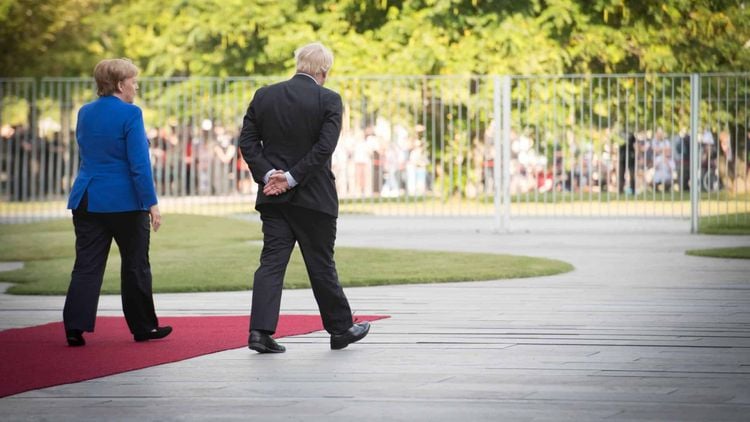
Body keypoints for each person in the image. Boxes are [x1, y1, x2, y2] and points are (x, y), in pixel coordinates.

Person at [239, 42, 369, 353]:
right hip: (314, 197)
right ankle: (340, 329)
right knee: (321, 264)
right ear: (324, 71)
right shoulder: (329, 100)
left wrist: (272, 175)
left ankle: (260, 331)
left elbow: (247, 141)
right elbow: (324, 148)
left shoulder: (264, 95)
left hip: (274, 199)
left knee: (271, 262)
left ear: (298, 64)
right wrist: (292, 178)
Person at [63, 58, 172, 347]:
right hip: (125, 200)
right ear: (121, 84)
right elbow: (139, 164)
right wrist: (152, 204)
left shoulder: (84, 112)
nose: (136, 86)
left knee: (86, 264)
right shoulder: (131, 114)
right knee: (135, 265)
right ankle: (143, 327)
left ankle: (75, 326)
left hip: (87, 197)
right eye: (133, 81)